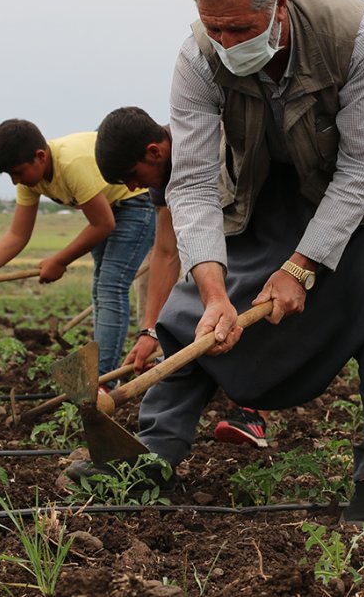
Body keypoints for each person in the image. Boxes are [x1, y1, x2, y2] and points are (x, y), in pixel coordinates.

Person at [75, 0, 364, 529]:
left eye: (240, 28)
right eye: (215, 28)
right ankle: (153, 457)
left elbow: (362, 165)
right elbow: (188, 182)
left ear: (279, 3)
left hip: (363, 183)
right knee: (187, 313)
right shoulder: (197, 58)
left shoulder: (355, 36)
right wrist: (214, 292)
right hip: (262, 179)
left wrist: (301, 266)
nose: (227, 43)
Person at [95, 105, 270, 448]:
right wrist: (149, 330)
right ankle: (161, 442)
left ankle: (253, 413)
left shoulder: (214, 141)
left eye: (132, 175)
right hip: (217, 238)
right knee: (182, 314)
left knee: (251, 293)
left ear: (153, 151)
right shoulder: (162, 173)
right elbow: (165, 250)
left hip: (262, 223)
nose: (132, 186)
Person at [0, 119, 154, 376]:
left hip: (134, 199)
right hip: (109, 207)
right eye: (10, 176)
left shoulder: (70, 164)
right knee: (100, 288)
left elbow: (102, 224)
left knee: (111, 286)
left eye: (18, 172)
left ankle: (103, 378)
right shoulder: (29, 181)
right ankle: (101, 373)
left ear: (40, 156)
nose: (16, 181)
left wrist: (59, 261)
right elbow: (17, 235)